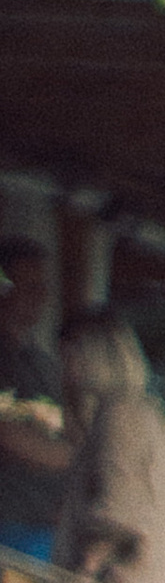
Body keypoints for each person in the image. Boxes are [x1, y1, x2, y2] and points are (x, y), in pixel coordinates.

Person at [54, 311, 165, 583]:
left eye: (70, 357)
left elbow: (120, 512)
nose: (65, 369)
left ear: (95, 357)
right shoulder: (151, 416)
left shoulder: (119, 417)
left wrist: (80, 578)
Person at [0, 237, 67, 560]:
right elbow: (8, 433)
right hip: (8, 521)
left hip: (42, 525)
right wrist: (81, 457)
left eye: (42, 287)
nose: (39, 296)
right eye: (28, 286)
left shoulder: (43, 364)